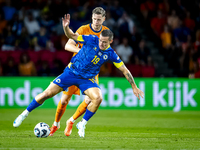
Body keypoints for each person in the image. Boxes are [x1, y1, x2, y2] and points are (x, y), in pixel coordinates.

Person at [13, 14, 144, 138]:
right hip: (71, 72)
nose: (101, 44)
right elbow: (72, 36)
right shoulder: (92, 39)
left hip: (87, 79)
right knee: (46, 94)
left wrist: (134, 86)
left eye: (105, 42)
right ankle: (24, 114)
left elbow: (124, 70)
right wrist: (66, 28)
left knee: (97, 98)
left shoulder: (111, 53)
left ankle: (82, 123)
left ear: (111, 41)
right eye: (101, 41)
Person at [49, 7, 109, 137]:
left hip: (91, 72)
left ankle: (71, 121)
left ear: (104, 19)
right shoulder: (83, 29)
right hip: (76, 69)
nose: (96, 22)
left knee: (90, 99)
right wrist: (82, 52)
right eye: (94, 19)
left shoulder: (106, 32)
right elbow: (68, 45)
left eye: (99, 20)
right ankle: (56, 124)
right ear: (91, 18)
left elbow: (107, 50)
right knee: (64, 100)